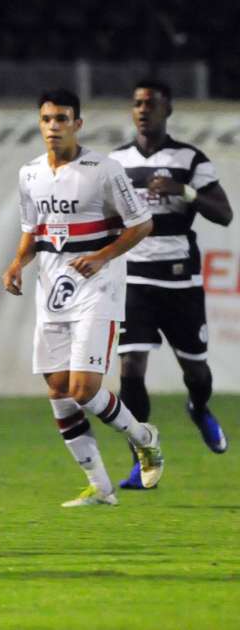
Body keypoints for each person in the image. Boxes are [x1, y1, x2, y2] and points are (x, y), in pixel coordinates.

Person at [2, 89, 164, 508]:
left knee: (84, 387)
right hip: (52, 289)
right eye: (46, 119)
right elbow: (31, 231)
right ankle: (101, 486)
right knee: (58, 390)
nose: (53, 127)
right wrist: (17, 263)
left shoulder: (103, 169)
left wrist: (101, 256)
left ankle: (143, 437)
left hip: (99, 286)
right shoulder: (30, 174)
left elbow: (142, 224)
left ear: (78, 124)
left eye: (61, 119)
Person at [108, 80, 233, 489]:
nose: (143, 110)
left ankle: (199, 409)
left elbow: (224, 213)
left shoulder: (189, 158)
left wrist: (186, 191)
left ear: (168, 110)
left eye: (152, 104)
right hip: (134, 280)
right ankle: (143, 457)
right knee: (130, 369)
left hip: (180, 281)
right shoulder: (116, 162)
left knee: (196, 370)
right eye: (137, 103)